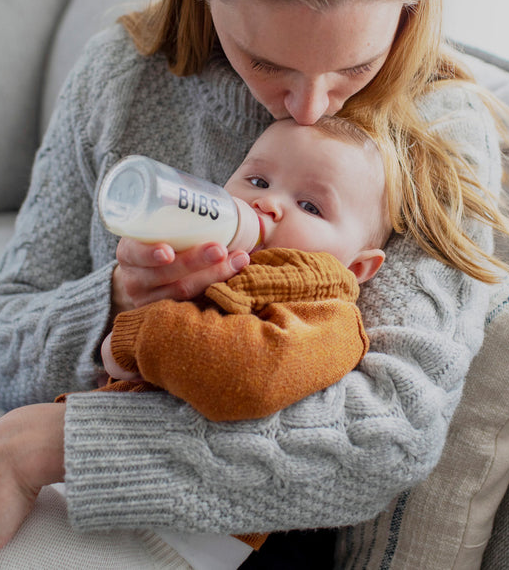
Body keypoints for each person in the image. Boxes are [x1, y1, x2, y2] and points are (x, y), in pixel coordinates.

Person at [0, 0, 509, 567]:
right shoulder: (123, 74)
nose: (305, 108)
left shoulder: (438, 127)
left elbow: (388, 433)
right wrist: (115, 302)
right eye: (265, 61)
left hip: (243, 526)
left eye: (354, 66)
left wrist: (45, 446)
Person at [55, 115, 391, 567]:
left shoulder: (328, 316)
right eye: (257, 179)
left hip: (173, 536)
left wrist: (135, 335)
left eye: (310, 206)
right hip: (91, 481)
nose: (267, 203)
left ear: (357, 268)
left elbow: (250, 375)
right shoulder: (209, 263)